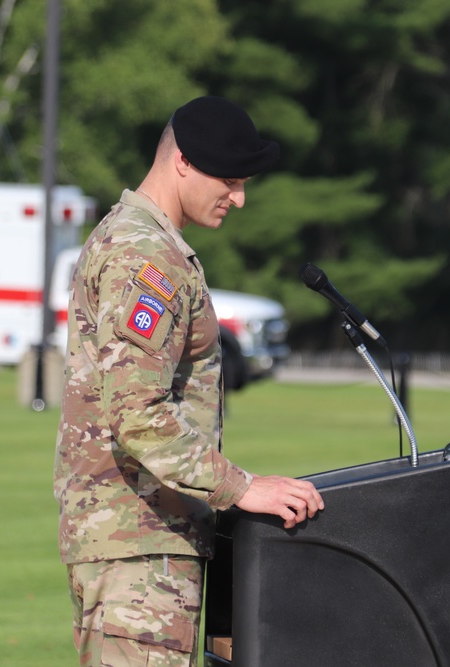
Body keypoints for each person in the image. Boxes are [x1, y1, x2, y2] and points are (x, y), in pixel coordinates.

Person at [54, 96, 325, 667]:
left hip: (137, 539)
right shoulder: (145, 257)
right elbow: (138, 415)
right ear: (181, 161)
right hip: (140, 545)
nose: (239, 197)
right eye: (228, 179)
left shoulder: (140, 241)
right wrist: (241, 487)